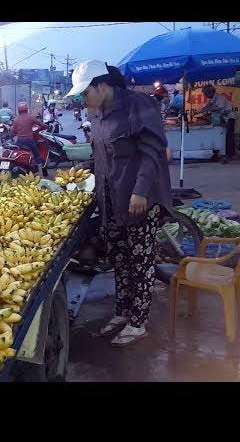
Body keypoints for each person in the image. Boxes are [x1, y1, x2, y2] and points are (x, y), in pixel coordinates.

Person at [66, 59, 172, 347]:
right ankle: (123, 312)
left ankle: (138, 321)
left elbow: (153, 150)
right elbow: (102, 155)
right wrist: (79, 174)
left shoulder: (139, 105)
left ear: (102, 85)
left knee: (140, 261)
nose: (83, 99)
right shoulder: (97, 113)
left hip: (138, 198)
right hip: (110, 198)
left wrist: (140, 191)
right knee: (120, 259)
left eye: (85, 92)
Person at [198, 85, 236, 163]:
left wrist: (208, 109)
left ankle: (229, 156)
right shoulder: (213, 99)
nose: (205, 95)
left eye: (206, 94)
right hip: (222, 119)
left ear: (211, 92)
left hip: (229, 118)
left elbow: (220, 108)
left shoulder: (220, 98)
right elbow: (208, 106)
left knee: (228, 137)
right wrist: (201, 110)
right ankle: (217, 154)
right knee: (218, 136)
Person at [12, 101, 48, 174]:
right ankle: (41, 174)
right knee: (37, 156)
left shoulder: (16, 119)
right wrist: (46, 126)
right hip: (29, 141)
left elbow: (13, 131)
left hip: (19, 141)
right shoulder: (30, 117)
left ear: (18, 110)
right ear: (27, 109)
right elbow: (41, 124)